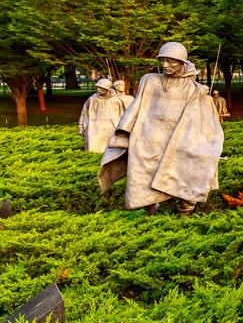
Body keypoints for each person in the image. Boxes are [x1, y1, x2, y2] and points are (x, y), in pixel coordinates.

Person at [99, 42, 224, 216]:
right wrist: (124, 131)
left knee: (184, 174)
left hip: (178, 140)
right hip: (148, 140)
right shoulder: (149, 81)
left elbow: (204, 122)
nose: (165, 65)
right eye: (163, 61)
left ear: (183, 62)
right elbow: (136, 106)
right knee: (143, 178)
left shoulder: (195, 90)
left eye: (171, 62)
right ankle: (150, 210)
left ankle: (184, 213)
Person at [78, 78, 129, 153]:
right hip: (95, 127)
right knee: (94, 149)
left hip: (112, 127)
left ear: (108, 89)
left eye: (101, 88)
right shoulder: (92, 99)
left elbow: (123, 114)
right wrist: (81, 126)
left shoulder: (117, 100)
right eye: (98, 87)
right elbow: (84, 113)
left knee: (111, 150)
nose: (98, 90)